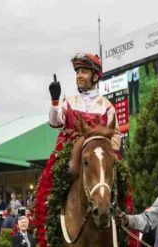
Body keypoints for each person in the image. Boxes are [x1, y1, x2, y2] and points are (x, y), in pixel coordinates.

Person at [35, 53, 123, 246]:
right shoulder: (70, 101)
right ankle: (46, 230)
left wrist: (106, 150)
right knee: (47, 190)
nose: (79, 76)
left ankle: (125, 229)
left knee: (123, 186)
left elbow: (116, 136)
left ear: (95, 76)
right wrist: (55, 100)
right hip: (71, 153)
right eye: (77, 72)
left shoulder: (107, 106)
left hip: (98, 156)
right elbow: (55, 121)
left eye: (84, 71)